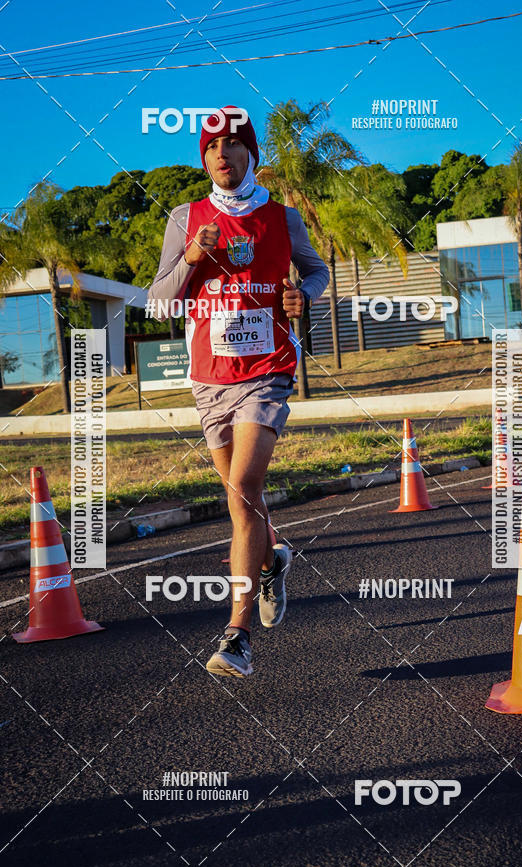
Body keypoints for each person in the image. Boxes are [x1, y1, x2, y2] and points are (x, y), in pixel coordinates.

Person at [147, 105, 329, 677]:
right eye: (210, 147)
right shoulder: (186, 218)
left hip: (268, 369)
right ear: (202, 158)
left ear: (251, 153)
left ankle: (237, 634)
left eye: (232, 144)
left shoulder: (283, 217)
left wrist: (305, 295)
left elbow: (317, 272)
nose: (221, 153)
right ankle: (272, 558)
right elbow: (158, 301)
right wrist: (193, 259)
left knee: (246, 485)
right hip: (210, 379)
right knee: (241, 502)